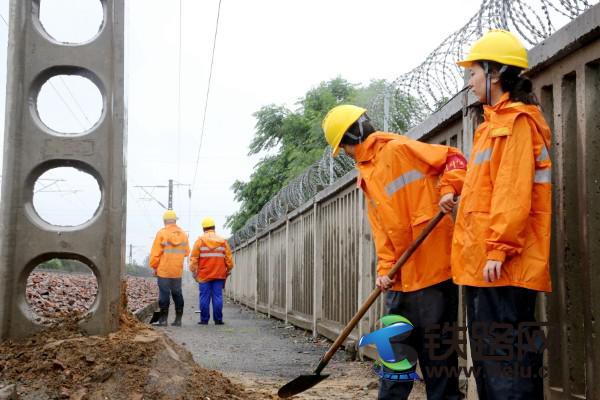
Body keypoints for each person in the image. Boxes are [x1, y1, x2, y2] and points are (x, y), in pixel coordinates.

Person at [322, 105, 466, 400]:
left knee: (439, 364)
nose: (346, 153)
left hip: (433, 274)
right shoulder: (366, 174)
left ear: (354, 133)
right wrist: (384, 271)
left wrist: (449, 190)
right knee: (395, 360)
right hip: (399, 281)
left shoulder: (399, 149)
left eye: (345, 146)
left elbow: (455, 159)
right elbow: (383, 231)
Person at [453, 29, 552, 399]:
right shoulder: (491, 126)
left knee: (506, 364)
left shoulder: (516, 124)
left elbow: (513, 193)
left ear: (495, 74)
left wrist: (498, 248)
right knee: (496, 366)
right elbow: (485, 186)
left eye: (473, 74)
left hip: (503, 265)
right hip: (487, 264)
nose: (470, 83)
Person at [149, 209, 190, 327]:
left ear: (164, 221)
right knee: (177, 293)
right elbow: (187, 252)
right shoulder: (183, 234)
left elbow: (155, 253)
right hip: (177, 271)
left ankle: (163, 320)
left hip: (164, 270)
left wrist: (154, 266)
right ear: (175, 221)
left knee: (164, 294)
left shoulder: (161, 233)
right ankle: (178, 320)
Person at [189, 217, 234, 325]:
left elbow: (194, 258)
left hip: (204, 275)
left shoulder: (199, 241)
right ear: (214, 228)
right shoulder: (222, 241)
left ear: (204, 228)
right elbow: (229, 258)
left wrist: (193, 271)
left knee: (204, 297)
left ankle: (204, 320)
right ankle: (218, 320)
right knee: (217, 296)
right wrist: (229, 268)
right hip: (219, 274)